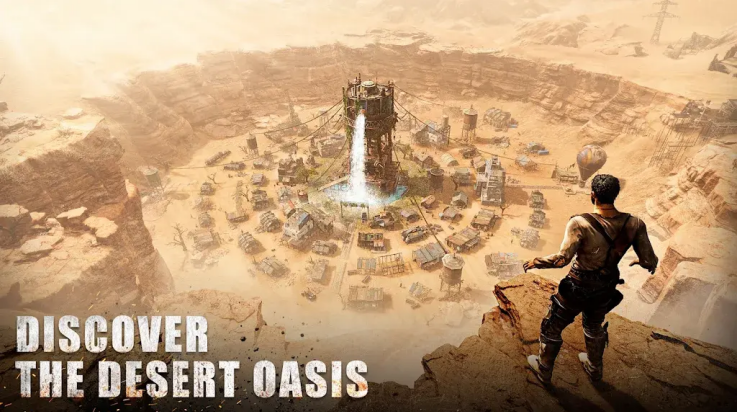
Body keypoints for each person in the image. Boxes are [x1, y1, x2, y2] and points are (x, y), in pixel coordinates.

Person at [523, 174, 658, 385]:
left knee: (552, 326)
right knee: (594, 326)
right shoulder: (635, 223)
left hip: (576, 287)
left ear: (593, 195)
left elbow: (561, 260)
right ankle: (594, 369)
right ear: (615, 195)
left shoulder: (579, 222)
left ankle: (544, 370)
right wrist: (640, 262)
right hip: (605, 288)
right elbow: (650, 261)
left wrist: (536, 262)